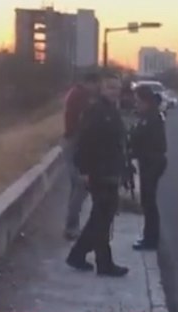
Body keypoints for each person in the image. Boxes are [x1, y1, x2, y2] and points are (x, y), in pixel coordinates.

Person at [66, 72, 131, 277]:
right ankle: (102, 263)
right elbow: (84, 142)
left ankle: (80, 255)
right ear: (101, 89)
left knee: (101, 218)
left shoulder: (112, 110)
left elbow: (118, 143)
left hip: (110, 171)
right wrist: (85, 170)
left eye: (117, 88)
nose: (114, 91)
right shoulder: (96, 111)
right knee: (102, 219)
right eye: (110, 87)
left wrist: (123, 169)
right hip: (99, 172)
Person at [128, 86, 168, 251]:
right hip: (149, 162)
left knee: (149, 202)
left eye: (138, 101)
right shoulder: (147, 116)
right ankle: (149, 237)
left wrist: (133, 148)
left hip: (152, 163)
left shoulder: (152, 118)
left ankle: (150, 240)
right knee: (147, 202)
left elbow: (148, 142)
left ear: (146, 101)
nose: (136, 104)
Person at [62, 72, 99, 240]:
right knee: (81, 185)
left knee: (76, 186)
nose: (97, 88)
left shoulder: (76, 93)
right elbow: (83, 121)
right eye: (96, 84)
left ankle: (72, 225)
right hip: (75, 142)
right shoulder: (80, 96)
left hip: (73, 141)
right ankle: (71, 227)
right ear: (89, 83)